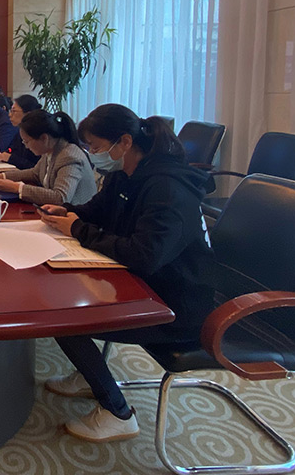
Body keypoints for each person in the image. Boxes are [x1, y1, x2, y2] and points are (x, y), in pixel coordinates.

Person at [38, 104, 216, 442]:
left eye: (95, 147)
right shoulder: (126, 175)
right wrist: (68, 212)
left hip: (175, 305)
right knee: (62, 295)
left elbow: (143, 255)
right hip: (147, 283)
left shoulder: (167, 188)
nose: (92, 155)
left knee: (64, 319)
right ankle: (89, 374)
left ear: (124, 142)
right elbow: (97, 211)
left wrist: (78, 229)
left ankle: (117, 412)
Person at [0, 109, 96, 206]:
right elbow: (35, 173)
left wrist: (17, 188)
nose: (26, 146)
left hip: (77, 218)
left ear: (44, 138)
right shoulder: (51, 149)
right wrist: (1, 176)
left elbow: (61, 197)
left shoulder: (69, 157)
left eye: (27, 141)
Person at [0, 94, 41, 169]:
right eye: (10, 111)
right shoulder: (20, 131)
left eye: (14, 111)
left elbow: (36, 168)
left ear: (28, 114)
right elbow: (13, 151)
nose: (9, 115)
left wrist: (10, 158)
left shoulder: (37, 135)